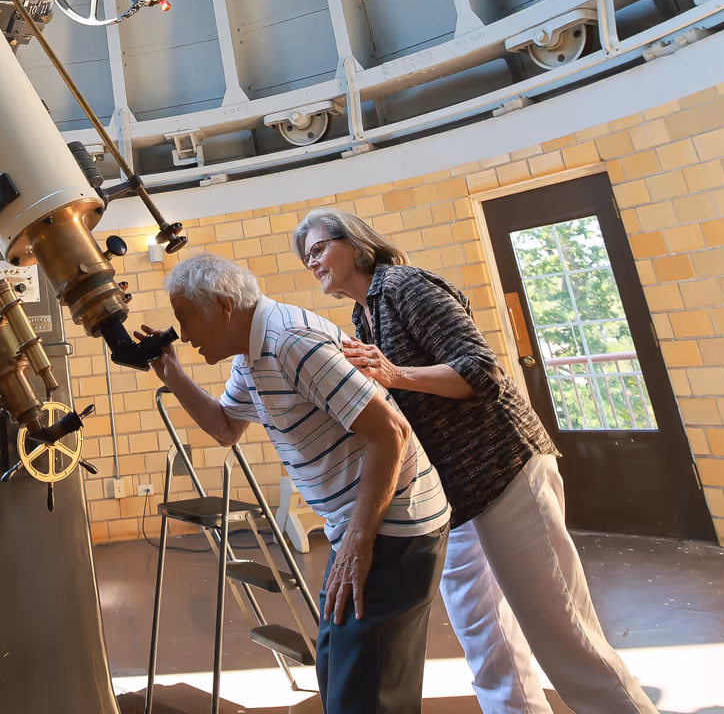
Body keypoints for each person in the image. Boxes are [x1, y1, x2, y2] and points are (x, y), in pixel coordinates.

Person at [291, 208, 657, 714]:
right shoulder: (362, 316)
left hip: (505, 470)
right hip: (455, 496)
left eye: (317, 249)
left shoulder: (404, 285)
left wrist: (397, 375)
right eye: (305, 258)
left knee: (564, 632)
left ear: (353, 243)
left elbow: (480, 371)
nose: (312, 263)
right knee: (488, 643)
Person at [138, 252, 447, 714]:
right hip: (359, 527)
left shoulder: (288, 342)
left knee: (366, 695)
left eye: (185, 318)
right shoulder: (250, 351)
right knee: (338, 674)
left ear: (222, 305)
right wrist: (174, 376)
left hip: (391, 528)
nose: (183, 334)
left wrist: (358, 545)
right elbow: (226, 428)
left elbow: (391, 432)